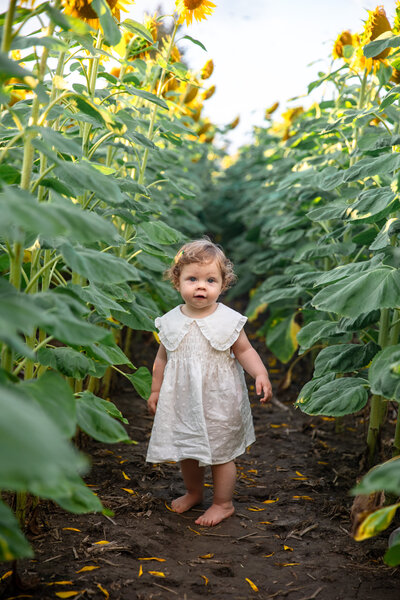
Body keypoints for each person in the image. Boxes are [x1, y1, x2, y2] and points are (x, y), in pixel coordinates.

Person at [146, 239, 272, 527]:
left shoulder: (227, 320)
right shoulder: (169, 321)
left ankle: (222, 503)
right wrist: (155, 390)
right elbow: (161, 359)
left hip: (219, 400)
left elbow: (245, 351)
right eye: (192, 279)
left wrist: (260, 374)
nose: (201, 286)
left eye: (210, 280)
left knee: (221, 452)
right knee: (187, 449)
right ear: (177, 281)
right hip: (183, 400)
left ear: (223, 284)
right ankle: (194, 492)